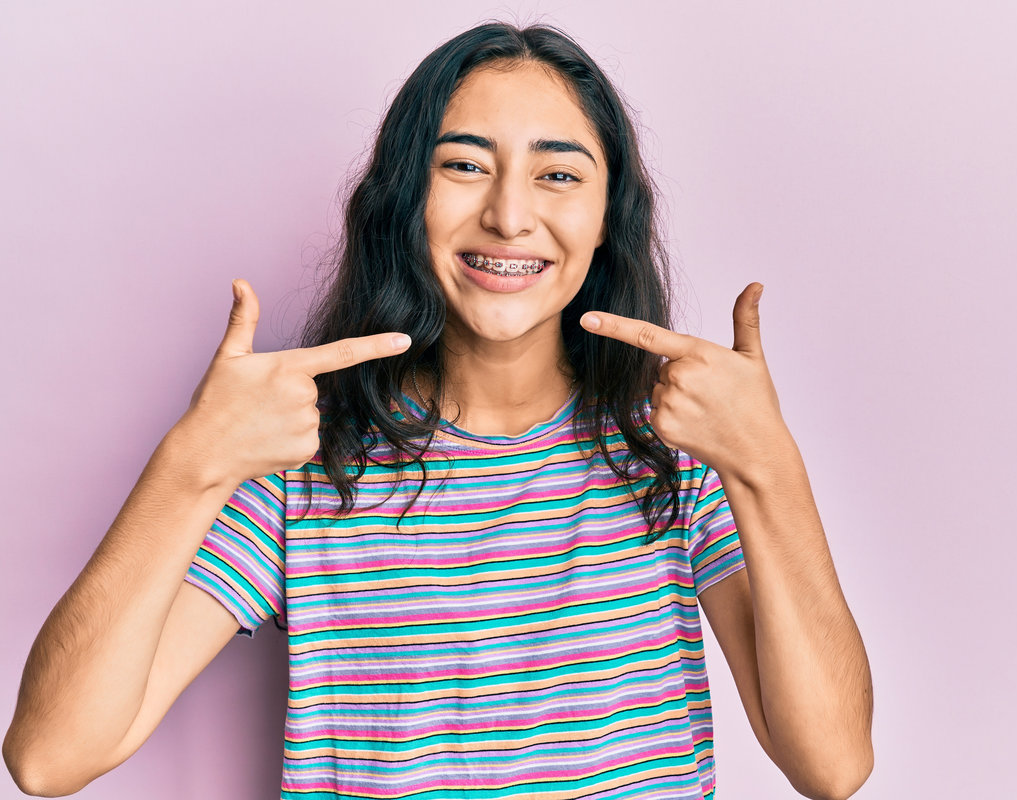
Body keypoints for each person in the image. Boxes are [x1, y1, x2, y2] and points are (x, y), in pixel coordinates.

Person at [3, 21, 873, 800]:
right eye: (462, 165)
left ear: (608, 216)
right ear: (403, 202)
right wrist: (189, 466)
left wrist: (767, 467)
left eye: (558, 174)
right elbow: (49, 759)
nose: (508, 214)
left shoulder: (673, 447)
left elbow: (831, 765)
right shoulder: (302, 459)